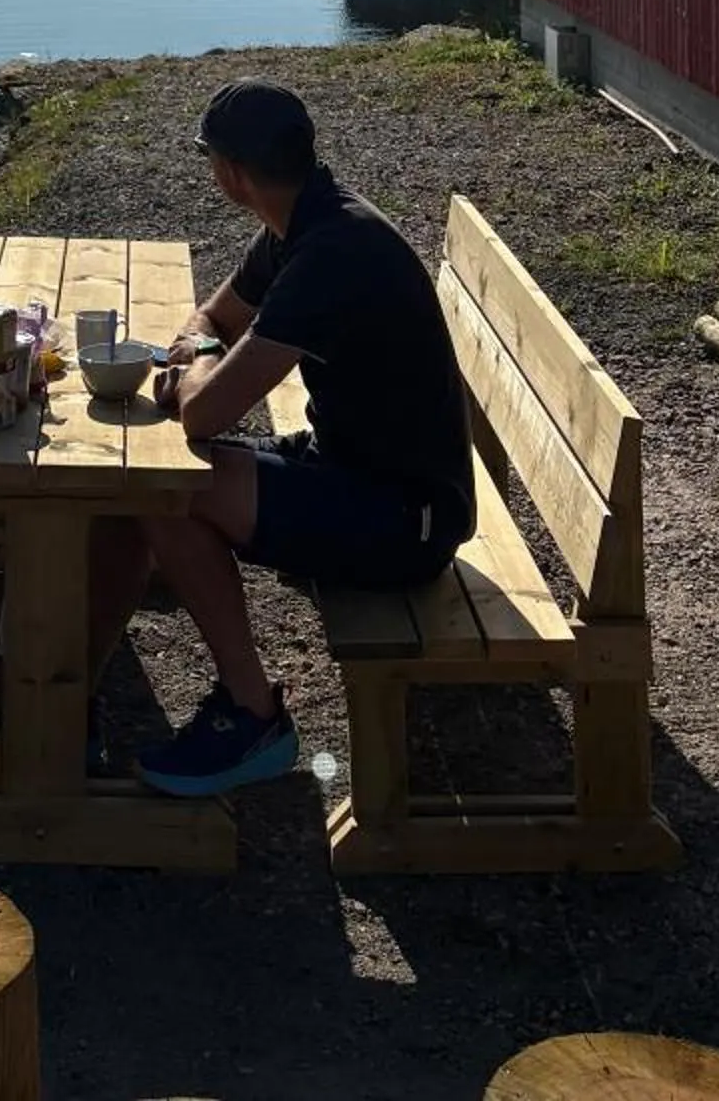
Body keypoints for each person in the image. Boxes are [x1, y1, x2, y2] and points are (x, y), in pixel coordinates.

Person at [130, 78, 475, 799]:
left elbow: (204, 411)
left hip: (402, 521)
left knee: (167, 492)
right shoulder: (305, 219)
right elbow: (212, 318)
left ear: (228, 174)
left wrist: (190, 363)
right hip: (359, 470)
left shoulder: (329, 257)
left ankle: (253, 715)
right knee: (156, 484)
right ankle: (95, 649)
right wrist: (197, 349)